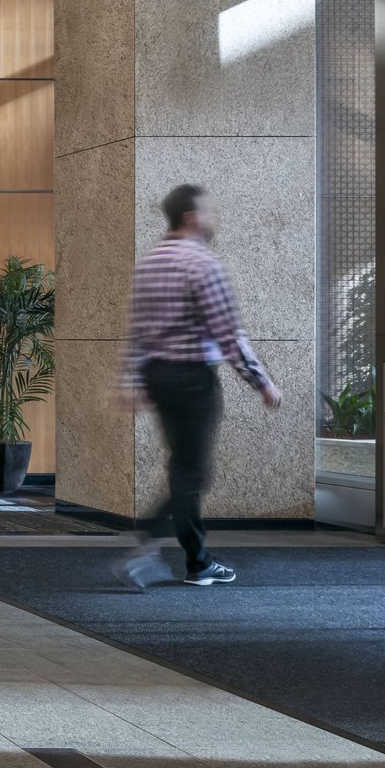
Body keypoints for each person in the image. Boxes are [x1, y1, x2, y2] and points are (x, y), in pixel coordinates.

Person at [118, 183, 281, 588]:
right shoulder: (202, 263)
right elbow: (228, 333)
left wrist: (132, 379)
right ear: (191, 217)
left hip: (158, 376)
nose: (212, 218)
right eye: (208, 211)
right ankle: (146, 542)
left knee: (184, 468)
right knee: (192, 473)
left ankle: (197, 562)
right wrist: (261, 381)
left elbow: (137, 332)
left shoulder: (149, 262)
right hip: (192, 378)